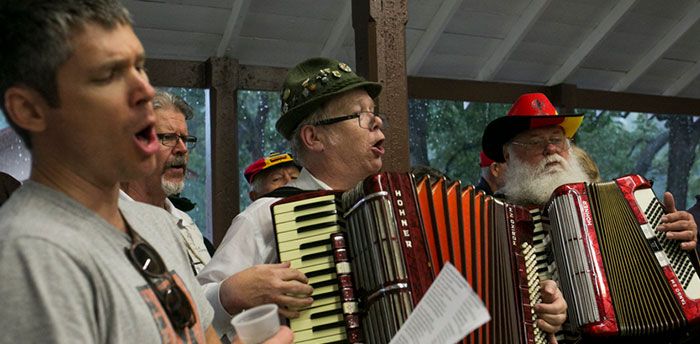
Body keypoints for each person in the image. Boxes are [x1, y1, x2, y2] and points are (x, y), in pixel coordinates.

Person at [0, 1, 291, 343]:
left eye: (139, 68)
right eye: (108, 74)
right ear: (30, 110)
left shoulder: (158, 223)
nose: (144, 91)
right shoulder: (30, 255)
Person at [481, 92, 698, 341]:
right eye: (535, 142)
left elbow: (656, 267)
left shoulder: (606, 203)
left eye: (557, 139)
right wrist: (531, 310)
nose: (550, 149)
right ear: (508, 156)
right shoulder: (492, 216)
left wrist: (679, 242)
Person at [197, 57, 387, 336]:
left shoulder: (385, 208)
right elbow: (193, 311)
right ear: (314, 138)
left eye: (374, 111)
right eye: (360, 114)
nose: (376, 121)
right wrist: (230, 293)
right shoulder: (267, 214)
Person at [121, 90, 211, 275]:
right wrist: (224, 294)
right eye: (168, 138)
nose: (182, 149)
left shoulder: (184, 223)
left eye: (185, 139)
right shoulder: (113, 223)